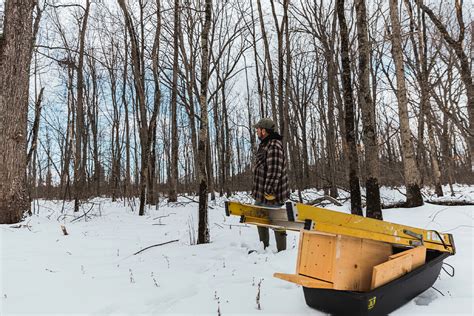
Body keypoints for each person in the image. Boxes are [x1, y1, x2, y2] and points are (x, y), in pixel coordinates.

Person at [252, 118, 289, 251]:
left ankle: (282, 252)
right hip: (261, 194)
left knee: (277, 221)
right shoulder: (265, 144)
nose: (256, 131)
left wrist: (269, 191)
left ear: (264, 131)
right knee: (258, 218)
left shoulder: (273, 145)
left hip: (271, 193)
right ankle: (264, 247)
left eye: (258, 129)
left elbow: (274, 170)